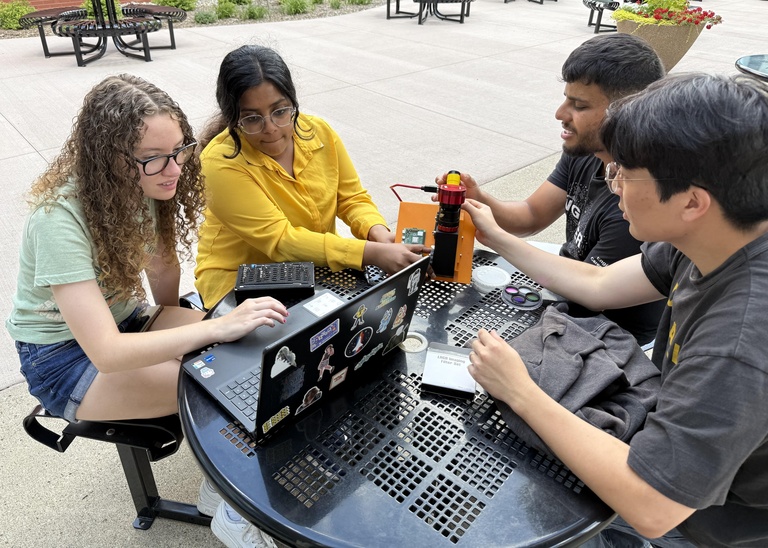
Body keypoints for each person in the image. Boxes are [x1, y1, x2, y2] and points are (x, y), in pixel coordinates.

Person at [462, 73, 768, 547]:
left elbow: (653, 504)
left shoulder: (740, 340)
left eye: (625, 173)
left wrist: (520, 392)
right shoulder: (718, 236)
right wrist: (497, 237)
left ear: (692, 202)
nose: (614, 185)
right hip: (679, 463)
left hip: (707, 524)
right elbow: (600, 282)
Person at [5, 75, 288, 548]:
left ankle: (217, 491)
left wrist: (181, 323)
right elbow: (109, 354)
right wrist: (207, 333)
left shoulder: (149, 180)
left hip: (123, 318)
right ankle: (236, 512)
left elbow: (161, 263)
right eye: (154, 157)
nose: (173, 167)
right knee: (228, 388)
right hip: (63, 359)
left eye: (180, 150)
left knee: (253, 352)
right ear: (108, 157)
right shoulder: (58, 219)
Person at [436, 34, 666, 344]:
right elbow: (531, 215)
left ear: (625, 112)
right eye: (566, 98)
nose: (560, 113)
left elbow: (594, 290)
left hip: (608, 331)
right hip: (568, 282)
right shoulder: (586, 152)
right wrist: (482, 201)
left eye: (579, 105)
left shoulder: (637, 201)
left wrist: (497, 237)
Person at [194, 44, 427, 308]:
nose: (270, 128)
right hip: (237, 282)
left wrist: (377, 232)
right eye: (252, 118)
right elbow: (281, 240)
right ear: (232, 117)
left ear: (293, 102)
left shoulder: (319, 132)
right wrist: (368, 253)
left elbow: (351, 198)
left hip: (313, 269)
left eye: (280, 111)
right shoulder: (219, 163)